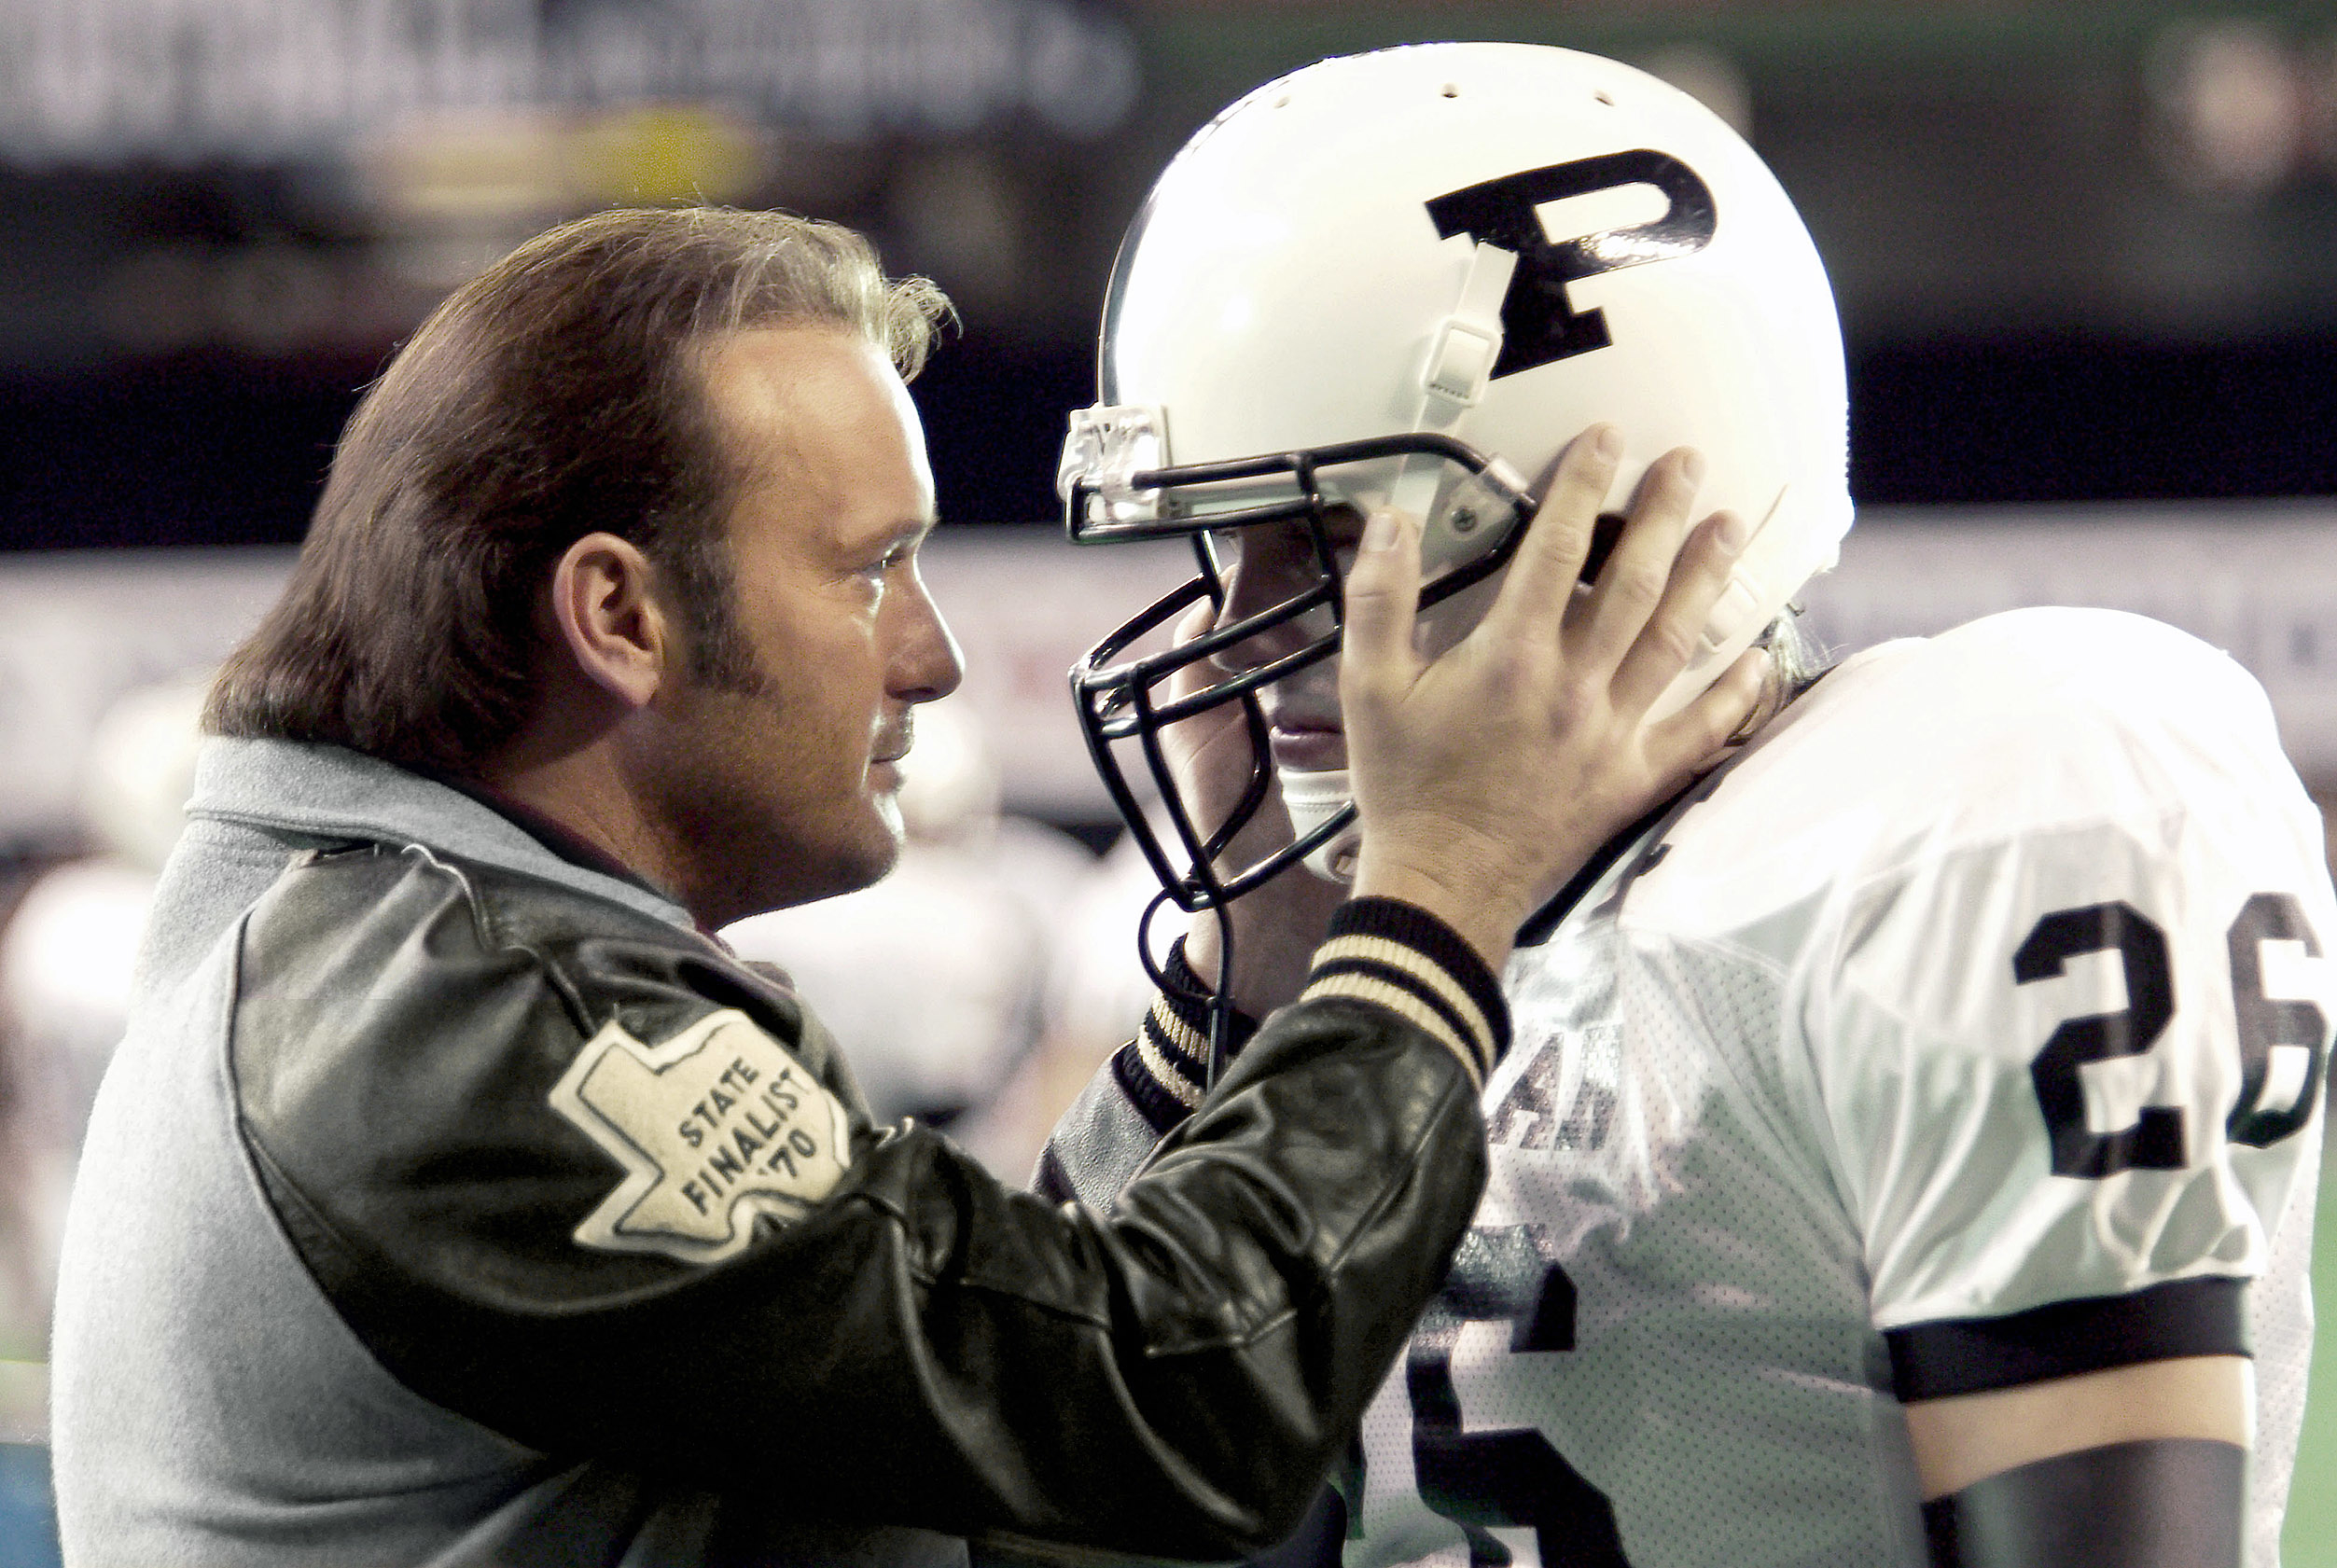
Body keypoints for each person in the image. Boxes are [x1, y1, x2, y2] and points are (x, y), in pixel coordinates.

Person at [45, 205, 1762, 1565]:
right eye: (873, 573)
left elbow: (1011, 1422)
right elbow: (1176, 1414)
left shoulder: (379, 945)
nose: (932, 661)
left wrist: (1247, 982)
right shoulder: (479, 1012)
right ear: (620, 617)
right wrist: (1439, 896)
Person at [1043, 44, 2330, 1568]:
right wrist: (1268, 981)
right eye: (1216, 550)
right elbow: (1085, 1494)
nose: (1234, 637)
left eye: (1321, 534)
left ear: (1606, 512)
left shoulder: (1974, 804)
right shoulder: (1392, 954)